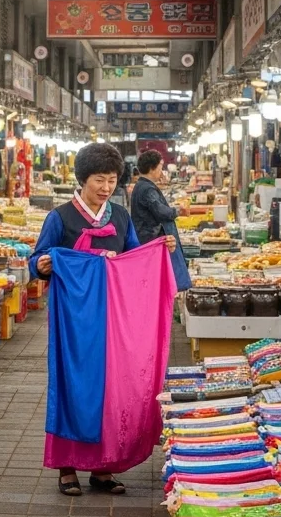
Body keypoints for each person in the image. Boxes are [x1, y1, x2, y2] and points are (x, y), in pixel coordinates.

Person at [29, 142, 151, 496]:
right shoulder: (61, 217)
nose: (106, 187)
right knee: (73, 386)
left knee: (111, 387)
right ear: (82, 179)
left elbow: (134, 259)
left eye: (112, 180)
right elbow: (37, 257)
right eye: (99, 179)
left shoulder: (121, 218)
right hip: (71, 320)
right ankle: (67, 467)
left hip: (112, 318)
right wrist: (40, 264)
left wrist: (157, 252)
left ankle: (103, 467)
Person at [131, 149, 190, 291]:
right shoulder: (147, 189)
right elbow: (161, 212)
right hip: (151, 240)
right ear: (152, 168)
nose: (161, 170)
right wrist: (178, 210)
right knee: (156, 281)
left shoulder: (143, 185)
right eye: (160, 167)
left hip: (145, 238)